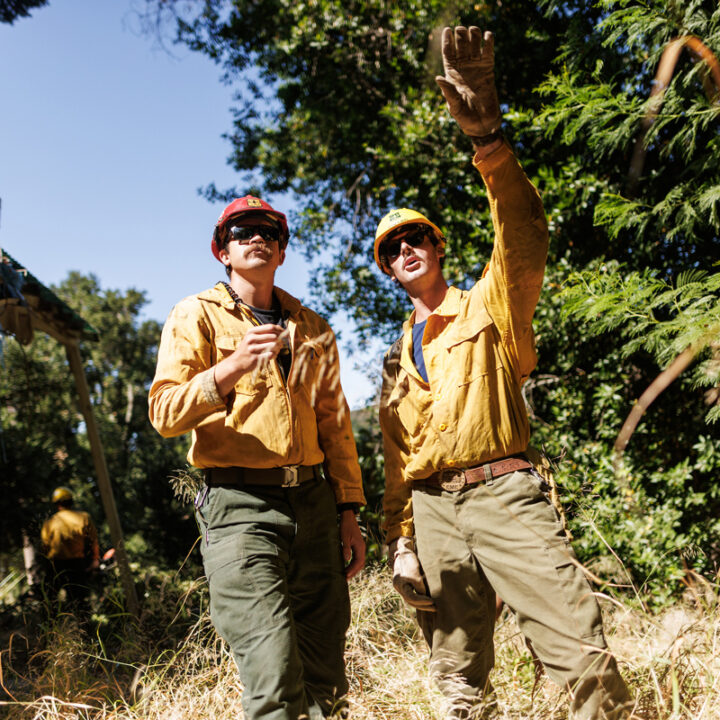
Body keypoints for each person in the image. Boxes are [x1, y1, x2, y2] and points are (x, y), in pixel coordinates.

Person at [375, 25, 632, 720]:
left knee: (580, 649)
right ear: (389, 269)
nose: (406, 248)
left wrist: (486, 139)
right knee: (456, 678)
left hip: (502, 491)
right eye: (391, 247)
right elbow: (398, 462)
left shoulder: (492, 301)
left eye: (416, 236)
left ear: (437, 245)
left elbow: (524, 234)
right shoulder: (397, 360)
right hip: (432, 515)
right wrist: (401, 539)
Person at [149, 195, 366, 720]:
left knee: (327, 679)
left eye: (268, 230)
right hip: (239, 504)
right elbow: (164, 412)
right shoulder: (195, 315)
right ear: (222, 250)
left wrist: (349, 513)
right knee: (273, 679)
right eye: (242, 230)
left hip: (315, 504)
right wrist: (233, 367)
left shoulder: (311, 327)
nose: (256, 237)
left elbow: (336, 426)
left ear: (282, 252)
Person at [40, 486, 100, 616]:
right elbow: (93, 541)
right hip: (77, 565)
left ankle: (50, 631)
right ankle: (84, 632)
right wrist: (95, 560)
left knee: (49, 602)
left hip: (55, 566)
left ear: (56, 503)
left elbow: (44, 547)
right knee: (80, 602)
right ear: (71, 501)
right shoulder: (84, 517)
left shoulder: (49, 522)